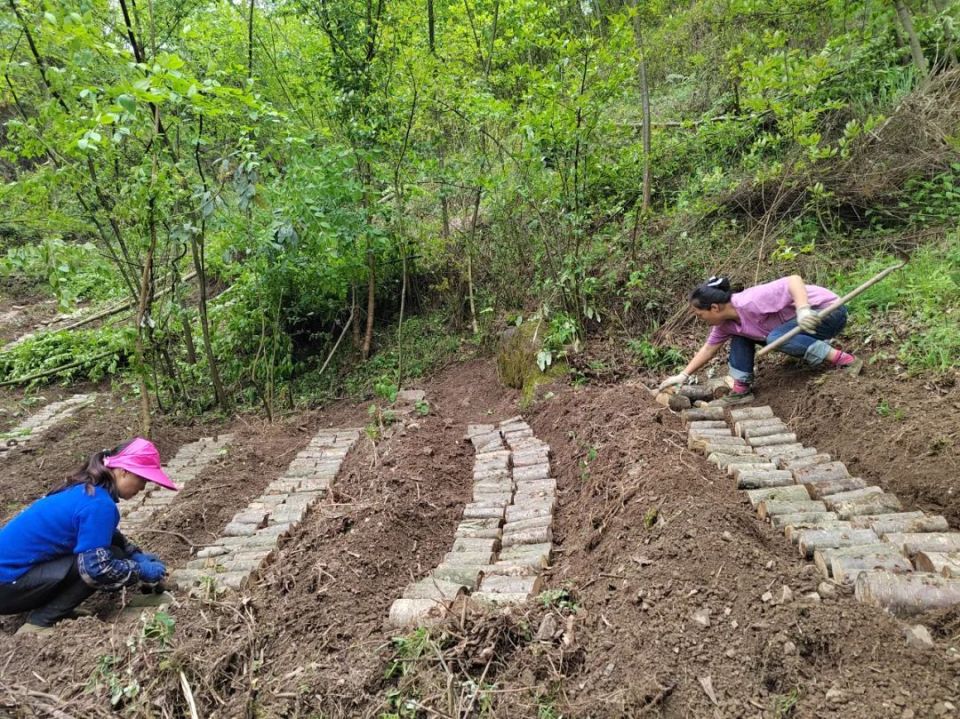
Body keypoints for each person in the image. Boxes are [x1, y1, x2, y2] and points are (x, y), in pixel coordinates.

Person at [0, 438, 177, 635]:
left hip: (11, 580)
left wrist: (134, 553)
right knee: (96, 564)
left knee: (112, 552)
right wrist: (140, 570)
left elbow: (104, 534)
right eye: (143, 480)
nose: (143, 487)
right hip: (8, 586)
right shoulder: (99, 505)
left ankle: (58, 609)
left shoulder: (87, 490)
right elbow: (98, 568)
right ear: (123, 471)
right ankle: (40, 623)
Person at [658, 275, 858, 404]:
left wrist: (803, 309)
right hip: (797, 327)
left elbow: (794, 281)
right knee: (742, 336)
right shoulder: (726, 324)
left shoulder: (750, 300)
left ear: (714, 308)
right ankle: (742, 389)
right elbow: (709, 350)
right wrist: (682, 376)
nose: (699, 319)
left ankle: (845, 360)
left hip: (825, 313)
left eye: (699, 314)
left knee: (775, 338)